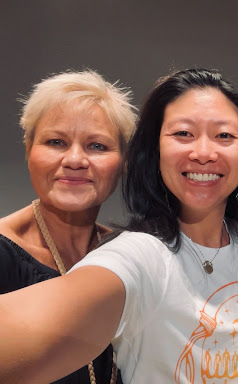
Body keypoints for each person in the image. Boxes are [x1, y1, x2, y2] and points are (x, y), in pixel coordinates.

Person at [0, 68, 238, 383]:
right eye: (183, 133)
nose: (205, 152)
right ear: (154, 152)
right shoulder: (139, 255)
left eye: (224, 135)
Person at [0, 69, 137, 384]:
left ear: (124, 161)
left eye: (97, 146)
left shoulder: (131, 255)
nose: (75, 159)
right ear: (28, 150)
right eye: (56, 142)